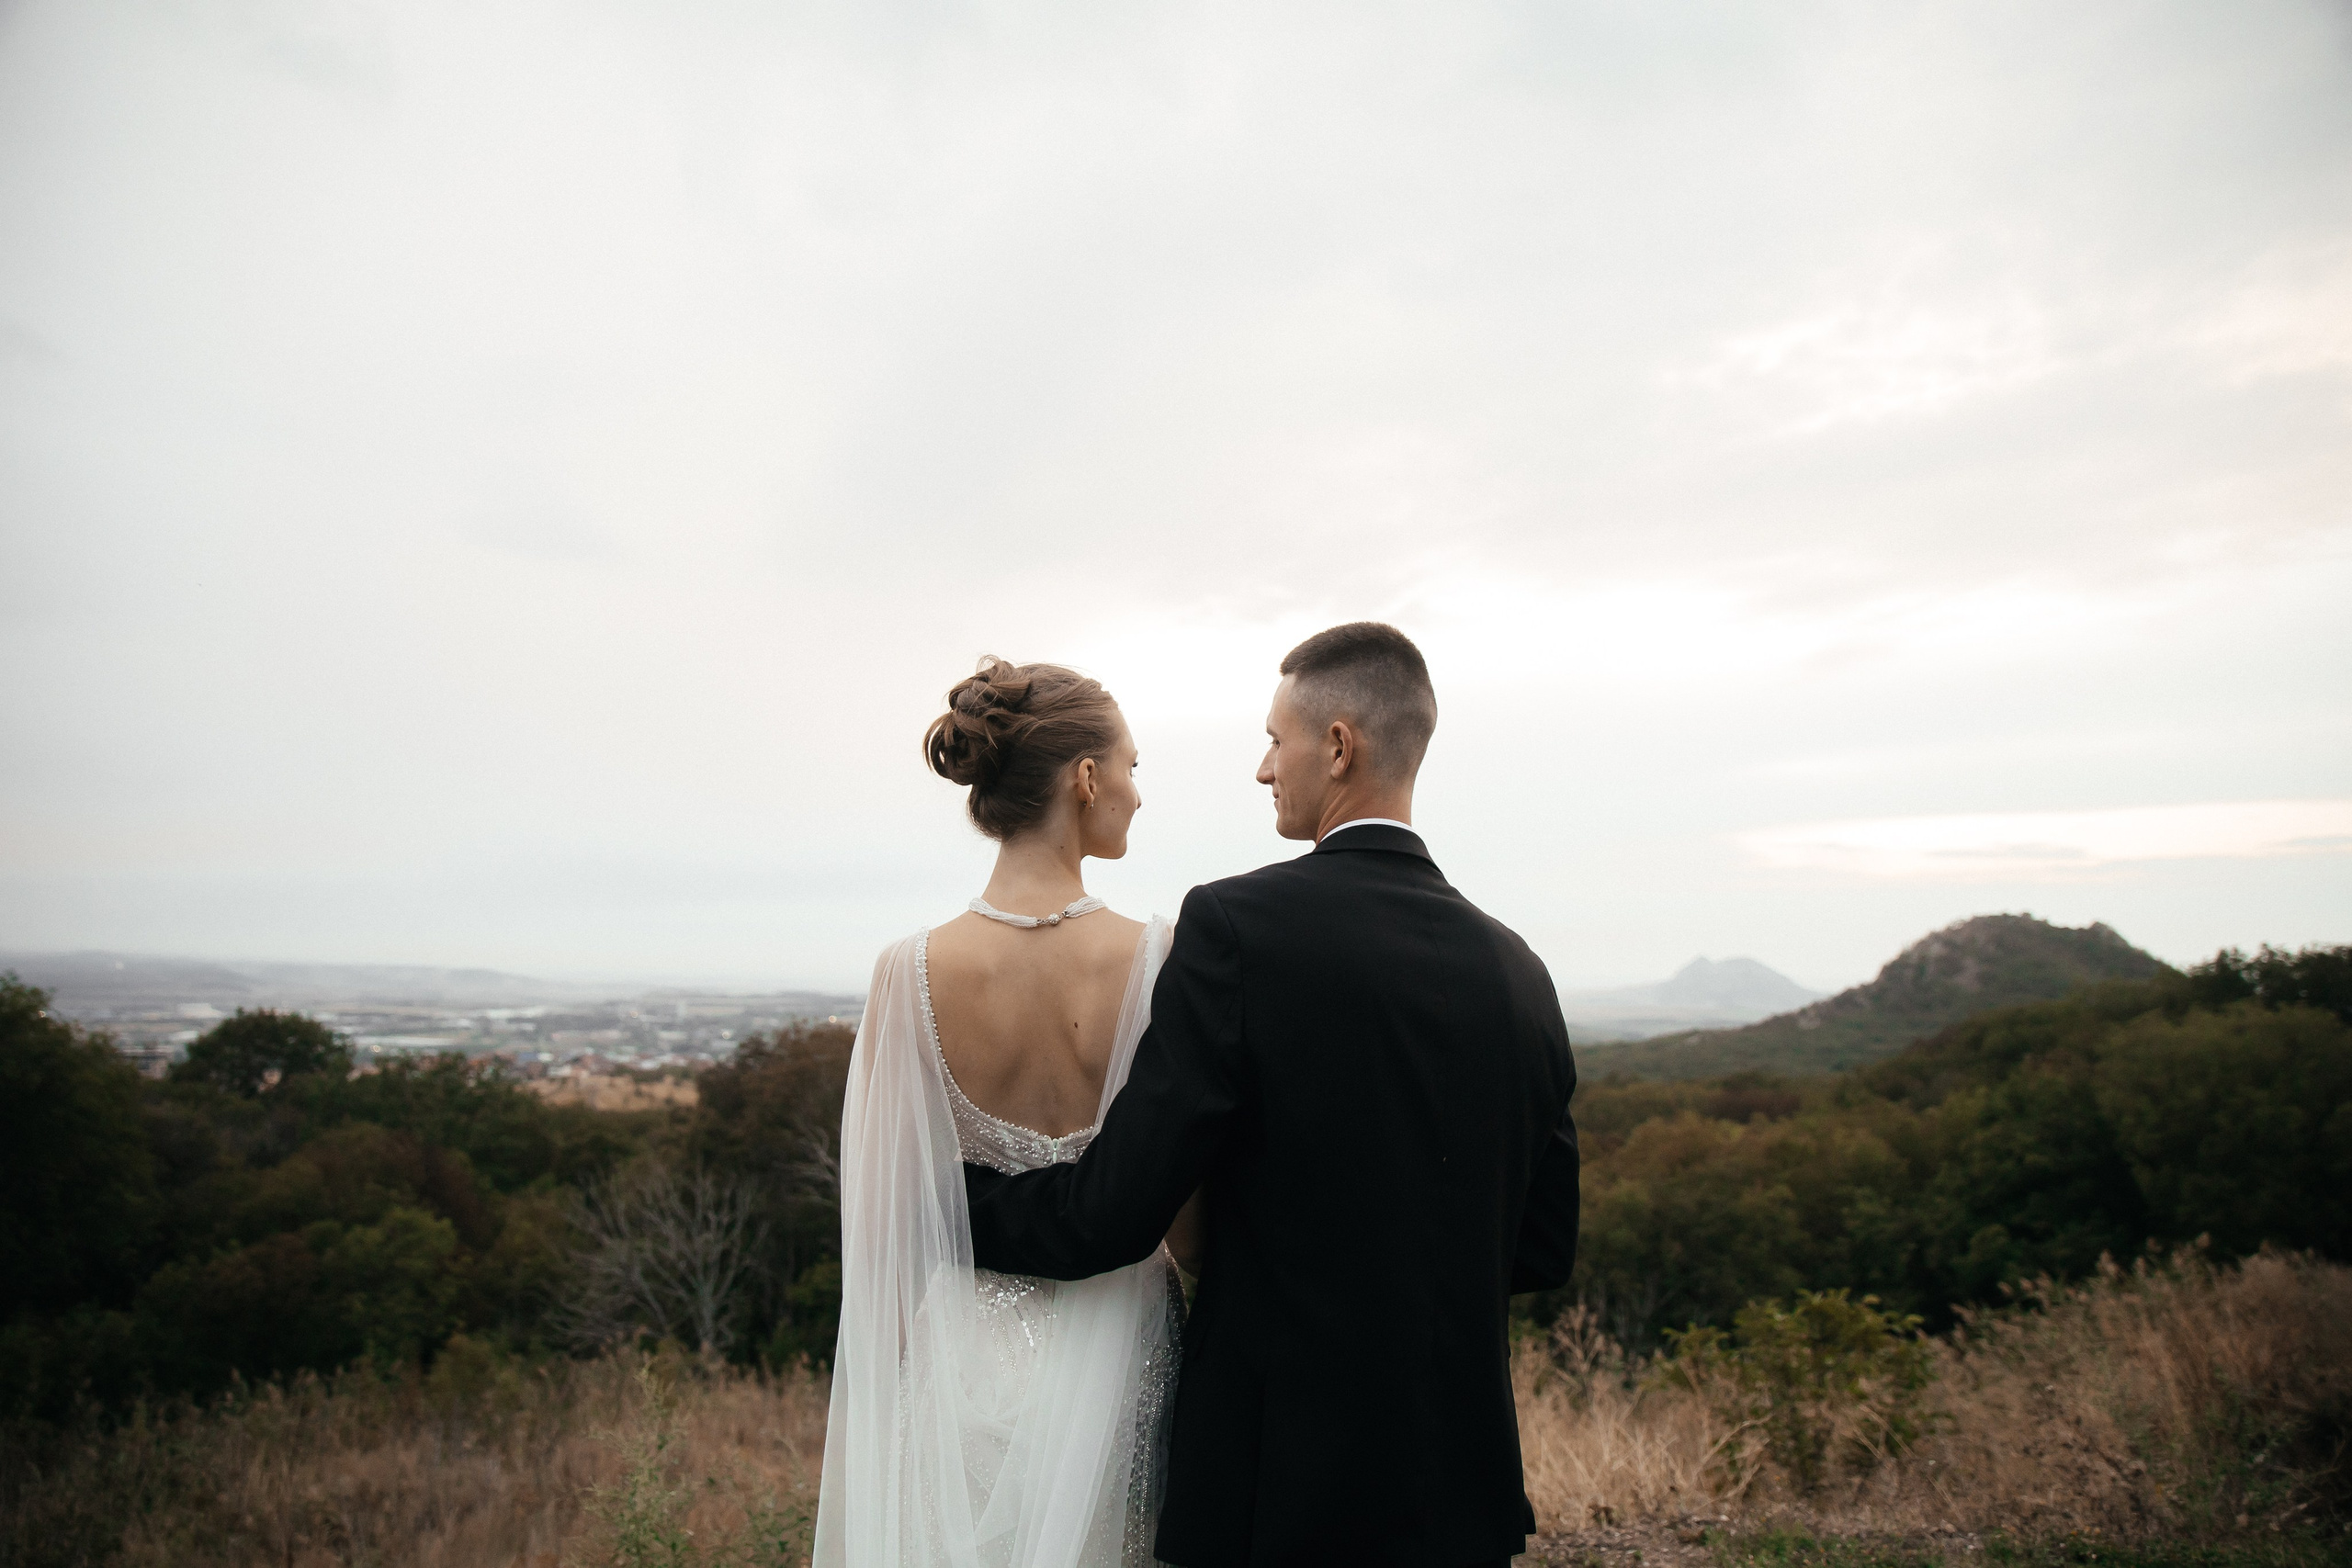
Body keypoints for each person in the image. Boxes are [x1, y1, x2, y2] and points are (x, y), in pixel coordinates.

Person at [961, 622, 1582, 1568]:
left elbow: (1113, 1216)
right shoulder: (1520, 973)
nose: (1262, 770)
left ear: (1337, 747)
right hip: (1461, 1501)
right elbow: (1541, 1246)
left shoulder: (1235, 929)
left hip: (1273, 1497)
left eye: (1273, 740)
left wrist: (947, 1201)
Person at [814, 656, 1200, 1568]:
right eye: (1133, 768)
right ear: (1087, 778)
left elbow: (883, 1240)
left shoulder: (907, 973)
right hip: (1128, 1360)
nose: (1139, 795)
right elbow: (1191, 1226)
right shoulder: (1163, 960)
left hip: (967, 1373)